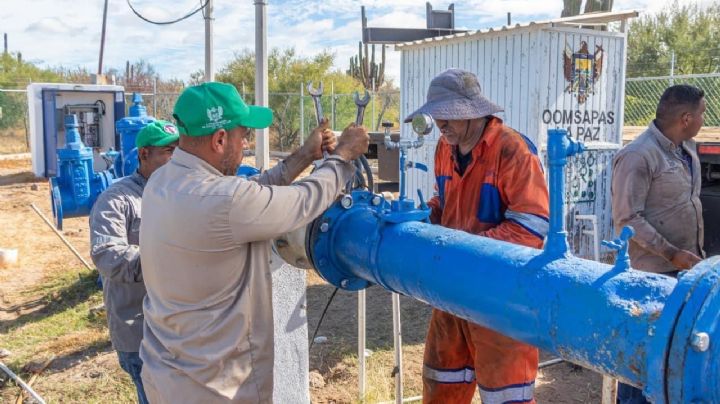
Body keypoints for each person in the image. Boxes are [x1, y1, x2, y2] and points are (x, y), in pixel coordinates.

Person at [138, 82, 369, 403]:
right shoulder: (223, 201)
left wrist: (305, 155)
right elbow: (305, 200)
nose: (246, 144)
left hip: (167, 375)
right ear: (220, 139)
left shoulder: (163, 180)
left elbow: (251, 192)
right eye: (243, 135)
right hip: (213, 390)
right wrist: (343, 156)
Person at [406, 68, 550, 404]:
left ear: (474, 112)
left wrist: (459, 251)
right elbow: (446, 203)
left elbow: (531, 227)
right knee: (441, 383)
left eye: (449, 115)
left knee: (506, 395)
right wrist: (422, 219)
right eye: (437, 114)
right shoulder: (445, 149)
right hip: (452, 294)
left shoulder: (512, 150)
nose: (442, 123)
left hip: (501, 299)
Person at [611, 84, 706, 403]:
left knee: (670, 358)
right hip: (648, 277)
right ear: (686, 117)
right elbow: (626, 218)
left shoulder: (686, 146)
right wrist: (671, 252)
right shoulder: (638, 155)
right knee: (640, 361)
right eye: (703, 113)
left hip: (680, 274)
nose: (704, 120)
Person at [89, 120, 179, 404]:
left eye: (181, 151)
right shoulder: (117, 200)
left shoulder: (179, 193)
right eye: (169, 152)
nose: (177, 159)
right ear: (144, 155)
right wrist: (169, 261)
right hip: (138, 332)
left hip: (176, 328)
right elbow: (107, 254)